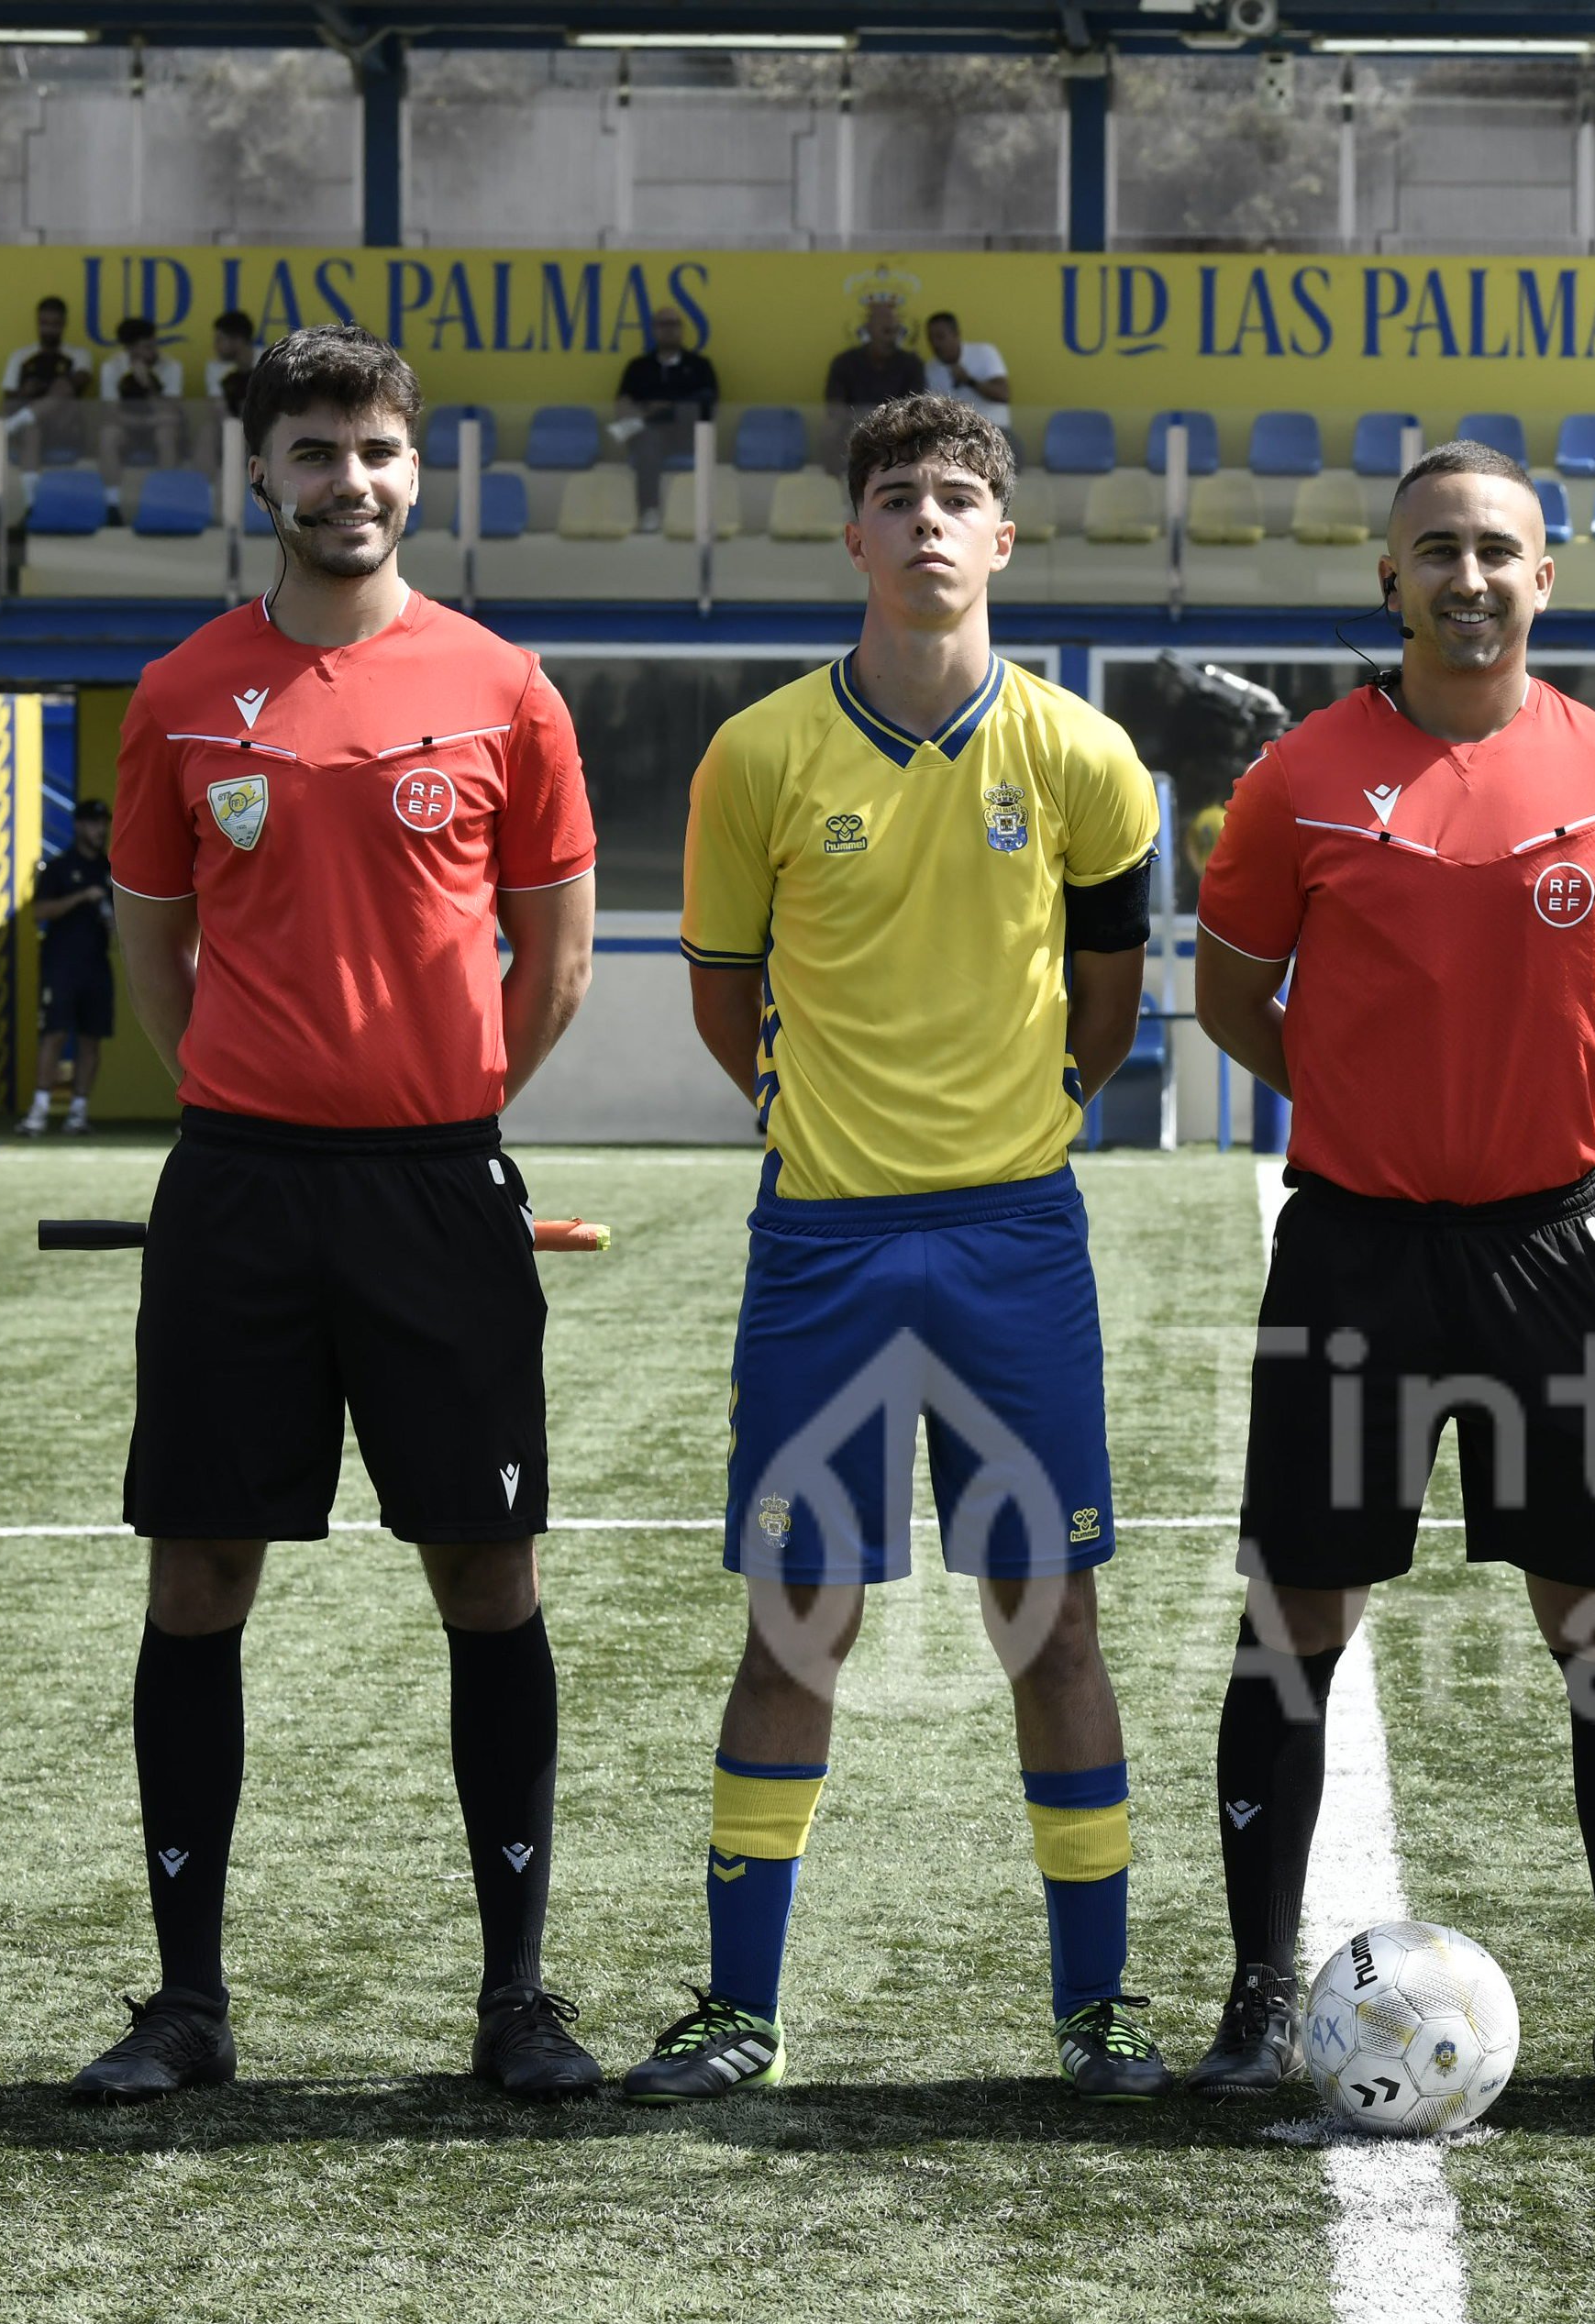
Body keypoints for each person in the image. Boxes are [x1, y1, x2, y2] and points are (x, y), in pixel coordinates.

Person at [77, 324, 602, 2107]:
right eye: (314, 452)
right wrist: (259, 1090)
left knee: (487, 1569)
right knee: (202, 1571)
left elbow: (558, 953)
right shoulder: (179, 693)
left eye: (377, 450)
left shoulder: (502, 685)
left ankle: (518, 1998)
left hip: (438, 1187)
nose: (349, 482)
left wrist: (442, 1115)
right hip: (237, 1189)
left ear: (415, 469)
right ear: (261, 477)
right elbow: (154, 947)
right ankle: (186, 2001)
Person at [622, 393, 1168, 2107]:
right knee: (803, 1618)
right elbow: (726, 998)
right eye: (896, 496)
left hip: (1015, 1240)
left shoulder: (1084, 756)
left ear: (1004, 540)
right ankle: (738, 2010)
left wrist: (1010, 1126)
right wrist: (830, 1128)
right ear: (851, 537)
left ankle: (1099, 2014)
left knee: (1050, 1621)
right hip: (827, 1250)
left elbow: (1107, 1007)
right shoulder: (762, 752)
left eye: (958, 498)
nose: (928, 521)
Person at [1187, 439, 1595, 2105]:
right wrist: (1371, 1112)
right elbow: (1232, 1003)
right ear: (1390, 580)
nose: (1469, 577)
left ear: (1543, 578)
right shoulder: (1300, 781)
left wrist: (1537, 1124)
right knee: (1292, 1629)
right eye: (1438, 550)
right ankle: (1260, 1999)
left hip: (1552, 1254)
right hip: (1350, 1251)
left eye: (1499, 550)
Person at [21, 797, 119, 1137]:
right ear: (78, 826)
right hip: (61, 965)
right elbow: (39, 912)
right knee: (55, 1033)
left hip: (97, 966)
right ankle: (39, 1110)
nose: (100, 829)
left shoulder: (111, 869)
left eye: (103, 822)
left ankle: (77, 1113)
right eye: (93, 823)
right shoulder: (60, 867)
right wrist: (81, 897)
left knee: (92, 1039)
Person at [613, 307, 719, 531]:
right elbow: (623, 403)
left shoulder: (700, 365)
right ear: (654, 330)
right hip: (652, 436)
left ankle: (652, 418)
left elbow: (708, 405)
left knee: (690, 409)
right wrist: (652, 412)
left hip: (688, 433)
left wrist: (662, 408)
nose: (669, 330)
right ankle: (649, 511)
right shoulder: (638, 367)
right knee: (648, 443)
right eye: (663, 325)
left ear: (681, 330)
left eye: (674, 324)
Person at [822, 295, 922, 462]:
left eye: (894, 331)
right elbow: (835, 410)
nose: (890, 338)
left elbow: (915, 412)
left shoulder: (911, 364)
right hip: (852, 444)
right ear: (868, 329)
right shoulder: (844, 363)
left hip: (897, 446)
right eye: (885, 331)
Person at [2, 294, 94, 463]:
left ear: (64, 324)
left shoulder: (80, 354)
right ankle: (30, 488)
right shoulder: (19, 356)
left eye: (55, 324)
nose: (49, 330)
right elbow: (8, 399)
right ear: (37, 323)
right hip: (31, 427)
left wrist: (49, 391)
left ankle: (15, 423)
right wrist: (25, 392)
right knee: (32, 430)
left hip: (64, 425)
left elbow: (82, 378)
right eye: (44, 323)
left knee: (63, 387)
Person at [106, 316, 183, 469]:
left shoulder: (172, 366)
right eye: (146, 347)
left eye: (154, 344)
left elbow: (171, 413)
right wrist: (145, 422)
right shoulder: (112, 367)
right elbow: (112, 413)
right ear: (129, 348)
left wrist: (148, 384)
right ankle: (111, 490)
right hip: (128, 428)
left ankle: (167, 487)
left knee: (165, 435)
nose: (153, 351)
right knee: (108, 435)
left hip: (159, 428)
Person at [921, 311, 1010, 433]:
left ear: (956, 334)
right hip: (956, 438)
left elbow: (1003, 395)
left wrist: (970, 381)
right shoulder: (930, 369)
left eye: (940, 337)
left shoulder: (984, 353)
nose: (935, 344)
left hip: (995, 430)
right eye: (931, 338)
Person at [207, 311, 260, 426]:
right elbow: (219, 407)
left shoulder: (269, 362)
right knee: (210, 426)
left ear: (237, 340)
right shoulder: (214, 367)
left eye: (219, 340)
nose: (215, 345)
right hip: (231, 427)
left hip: (263, 425)